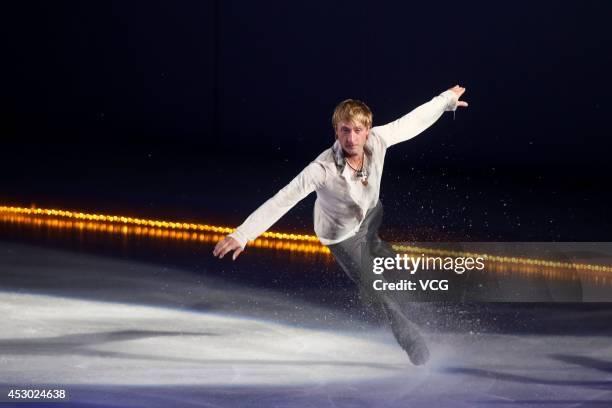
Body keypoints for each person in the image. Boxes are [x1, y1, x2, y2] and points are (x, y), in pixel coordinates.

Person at [213, 85, 468, 365]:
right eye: (345, 130)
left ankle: (401, 291)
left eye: (357, 130)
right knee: (376, 289)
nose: (351, 137)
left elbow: (410, 122)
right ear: (336, 131)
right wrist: (242, 234)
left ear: (368, 130)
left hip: (369, 218)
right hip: (341, 235)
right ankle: (413, 343)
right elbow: (282, 199)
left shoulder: (378, 140)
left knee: (393, 268)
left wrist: (446, 101)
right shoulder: (321, 169)